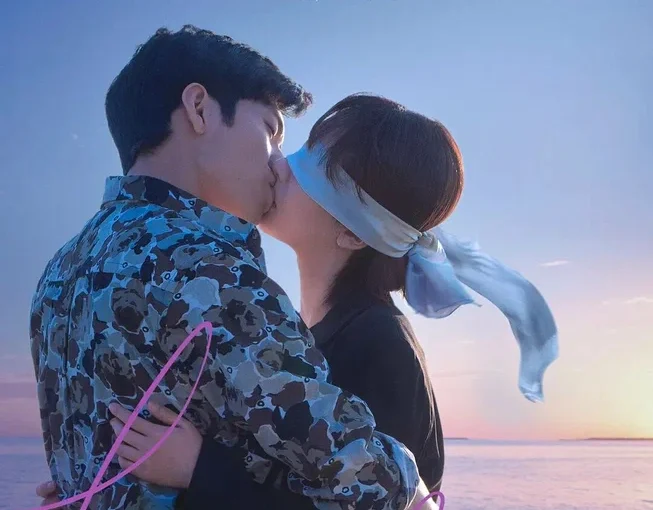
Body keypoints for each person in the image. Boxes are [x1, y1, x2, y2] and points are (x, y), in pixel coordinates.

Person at [37, 93, 559, 508]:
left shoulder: (381, 346)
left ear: (354, 233)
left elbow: (374, 501)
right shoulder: (293, 334)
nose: (281, 165)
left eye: (318, 166)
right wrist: (107, 484)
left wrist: (197, 470)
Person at [30, 26, 437, 510]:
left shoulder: (58, 274)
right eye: (270, 130)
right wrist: (413, 484)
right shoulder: (208, 271)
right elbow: (376, 486)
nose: (279, 163)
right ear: (199, 109)